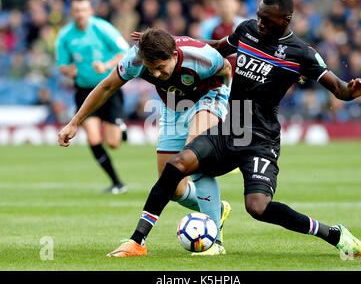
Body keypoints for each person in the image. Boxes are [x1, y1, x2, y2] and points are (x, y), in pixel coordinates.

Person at [110, 0, 361, 258]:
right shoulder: (247, 30)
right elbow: (215, 47)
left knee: (257, 207)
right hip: (230, 127)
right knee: (177, 165)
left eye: (267, 20)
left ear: (286, 20)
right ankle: (138, 241)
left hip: (260, 139)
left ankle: (336, 235)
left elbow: (338, 88)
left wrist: (349, 92)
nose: (260, 24)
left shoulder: (301, 53)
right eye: (259, 17)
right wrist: (167, 43)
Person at [58, 28, 233, 256]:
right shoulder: (135, 59)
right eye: (151, 70)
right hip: (173, 105)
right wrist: (74, 122)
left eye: (161, 68)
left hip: (208, 96)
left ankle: (215, 243)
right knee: (172, 188)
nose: (156, 75)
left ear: (173, 55)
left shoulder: (201, 56)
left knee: (193, 157)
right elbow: (107, 86)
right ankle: (214, 209)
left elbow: (227, 70)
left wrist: (225, 104)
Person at [55, 0, 129, 194]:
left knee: (113, 143)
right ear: (72, 12)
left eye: (83, 10)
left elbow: (125, 52)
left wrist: (106, 65)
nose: (80, 14)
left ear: (91, 11)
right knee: (93, 139)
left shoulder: (103, 28)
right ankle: (117, 183)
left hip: (109, 87)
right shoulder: (65, 36)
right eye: (76, 10)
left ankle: (121, 129)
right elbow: (62, 64)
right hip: (85, 91)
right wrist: (69, 70)